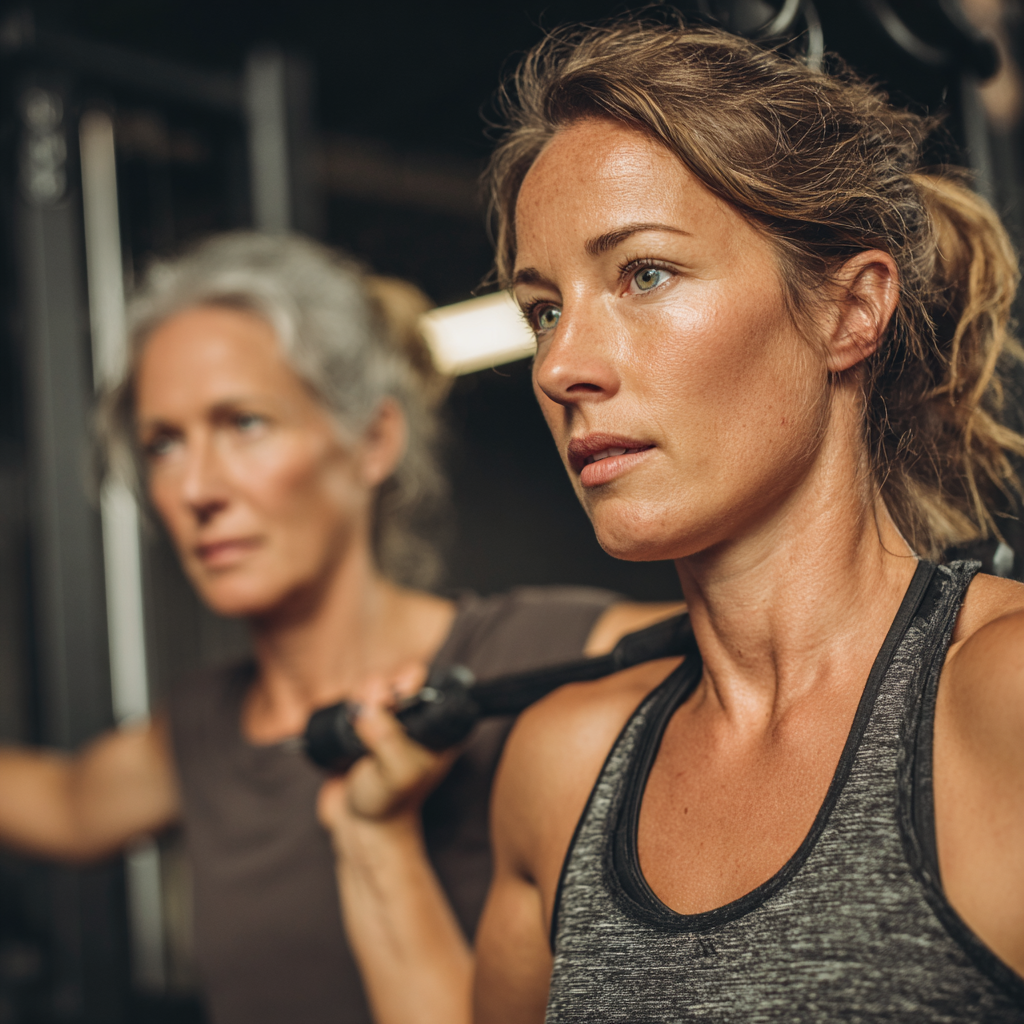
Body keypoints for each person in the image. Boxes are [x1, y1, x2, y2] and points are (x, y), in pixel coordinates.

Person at [450, 17, 1024, 1021]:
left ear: (848, 311)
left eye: (645, 274)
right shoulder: (561, 771)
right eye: (543, 308)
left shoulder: (997, 705)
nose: (559, 366)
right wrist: (371, 845)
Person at [0, 232, 678, 1024]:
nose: (196, 488)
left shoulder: (535, 656)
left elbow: (774, 641)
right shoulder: (203, 730)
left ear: (373, 441)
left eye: (244, 423)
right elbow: (71, 803)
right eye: (165, 443)